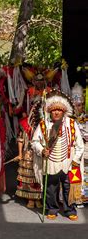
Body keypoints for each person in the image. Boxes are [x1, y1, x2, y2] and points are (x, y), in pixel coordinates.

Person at [32, 90, 84, 221]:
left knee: (69, 187)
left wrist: (76, 160)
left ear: (63, 112)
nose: (56, 112)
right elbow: (34, 141)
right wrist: (42, 150)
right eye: (53, 110)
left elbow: (79, 144)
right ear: (49, 111)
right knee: (51, 188)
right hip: (51, 162)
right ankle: (52, 209)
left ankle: (70, 209)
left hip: (69, 162)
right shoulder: (44, 124)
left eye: (59, 110)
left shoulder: (71, 124)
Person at [14, 100, 43, 209]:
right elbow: (21, 139)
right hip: (29, 153)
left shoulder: (46, 123)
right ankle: (31, 198)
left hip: (41, 153)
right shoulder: (25, 123)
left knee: (39, 175)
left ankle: (38, 198)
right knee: (29, 176)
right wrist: (20, 154)